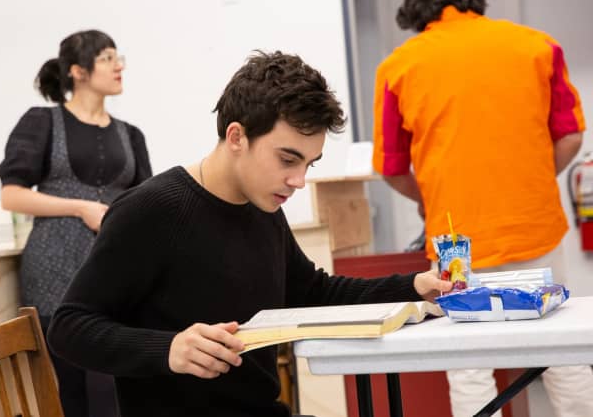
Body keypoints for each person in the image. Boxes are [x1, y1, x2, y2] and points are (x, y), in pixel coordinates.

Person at [47, 50, 452, 417]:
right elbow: (70, 326)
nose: (297, 180)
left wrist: (414, 286)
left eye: (309, 164)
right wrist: (169, 349)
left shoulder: (262, 206)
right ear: (237, 136)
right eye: (287, 159)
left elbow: (312, 293)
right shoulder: (151, 210)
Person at [372, 0, 593, 416]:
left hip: (458, 246)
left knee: (469, 365)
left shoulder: (397, 68)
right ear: (474, 0)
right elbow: (570, 136)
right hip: (536, 233)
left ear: (415, 16)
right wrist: (529, 180)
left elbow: (391, 168)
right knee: (562, 355)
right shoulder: (537, 46)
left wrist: (428, 198)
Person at [0, 29, 152, 417]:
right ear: (79, 71)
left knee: (117, 383)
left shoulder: (130, 135)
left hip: (116, 270)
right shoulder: (42, 122)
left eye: (120, 58)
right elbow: (11, 195)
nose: (119, 67)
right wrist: (80, 207)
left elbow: (145, 203)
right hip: (54, 268)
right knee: (68, 388)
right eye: (108, 58)